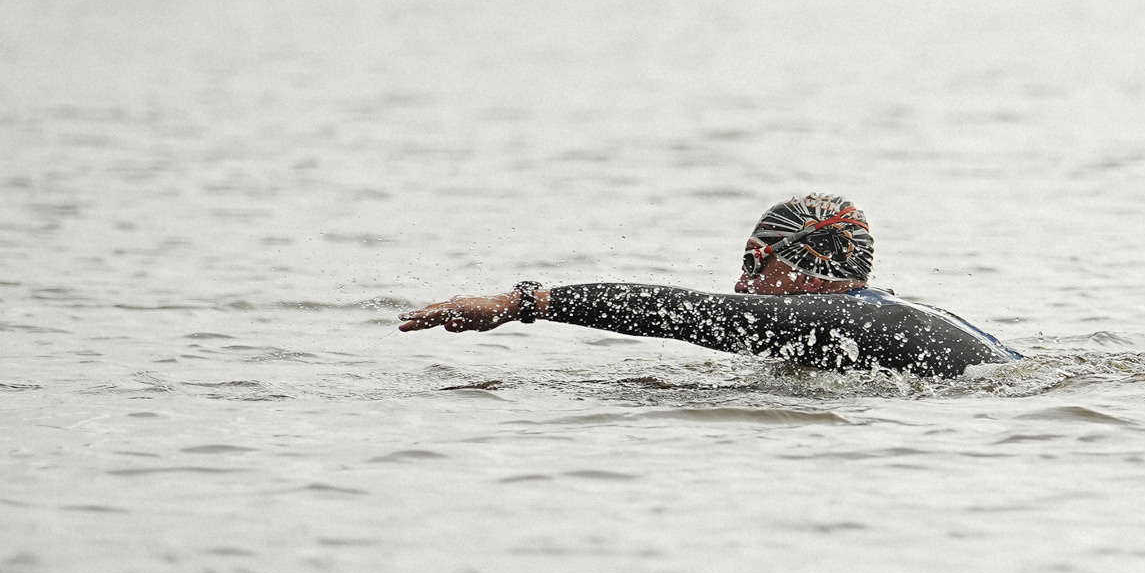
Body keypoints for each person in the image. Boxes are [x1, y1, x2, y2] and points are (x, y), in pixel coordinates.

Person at [399, 194, 1018, 378]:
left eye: (756, 263)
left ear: (807, 266)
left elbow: (676, 312)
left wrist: (523, 302)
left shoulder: (833, 319)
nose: (741, 284)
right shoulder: (885, 315)